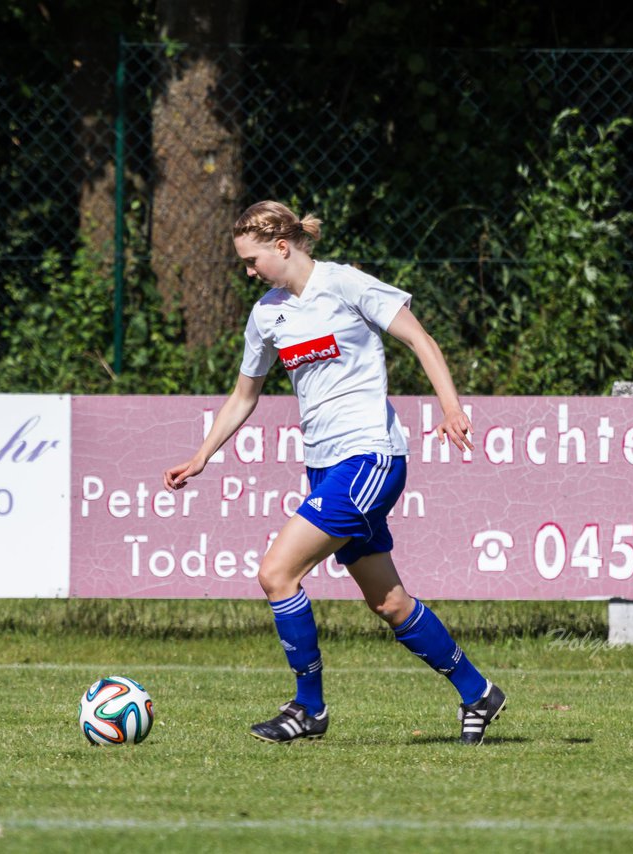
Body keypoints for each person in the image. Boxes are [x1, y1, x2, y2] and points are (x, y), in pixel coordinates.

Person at [164, 200, 505, 745]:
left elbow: (421, 339)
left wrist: (452, 407)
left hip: (370, 457)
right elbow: (243, 395)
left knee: (277, 572)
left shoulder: (346, 285)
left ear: (282, 246)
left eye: (253, 260)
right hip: (325, 467)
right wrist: (203, 454)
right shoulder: (266, 316)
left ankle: (309, 708)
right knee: (389, 602)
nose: (249, 272)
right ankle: (479, 692)